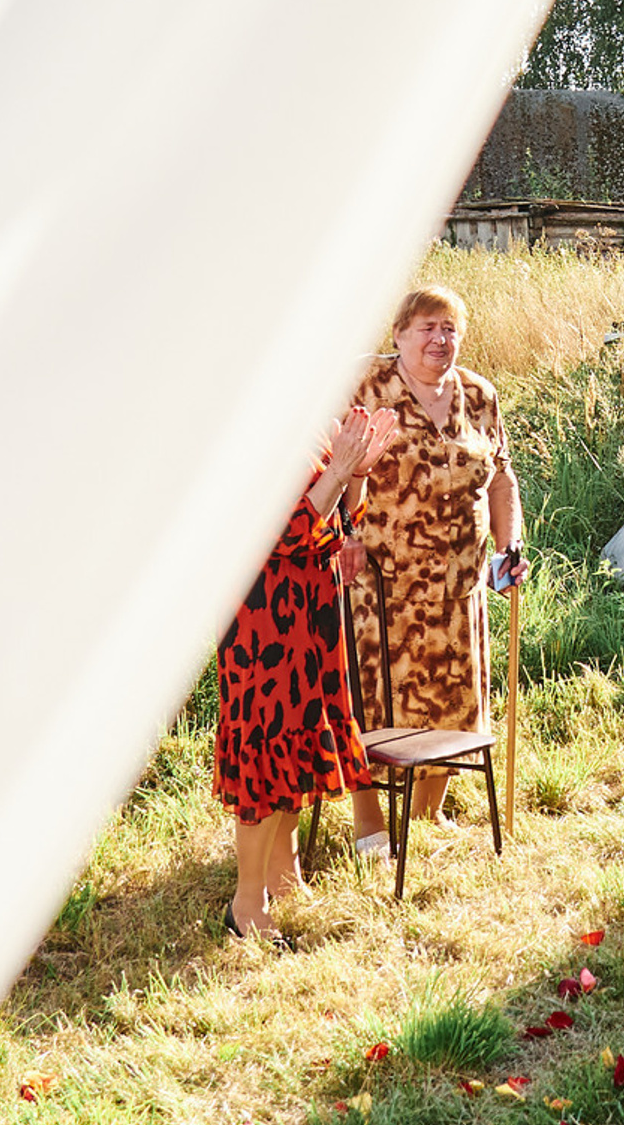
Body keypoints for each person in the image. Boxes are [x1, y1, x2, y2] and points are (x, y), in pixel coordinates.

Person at [215, 402, 399, 942]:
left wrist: (357, 474)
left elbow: (342, 521)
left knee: (296, 744)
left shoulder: (313, 420)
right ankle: (247, 904)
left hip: (312, 608)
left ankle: (284, 874)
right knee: (266, 750)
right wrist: (342, 471)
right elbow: (286, 532)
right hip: (262, 618)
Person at [347, 286, 526, 839]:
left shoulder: (478, 394)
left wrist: (509, 546)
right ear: (397, 334)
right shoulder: (365, 388)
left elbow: (500, 478)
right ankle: (370, 821)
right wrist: (344, 533)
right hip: (381, 581)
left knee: (453, 695)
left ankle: (428, 810)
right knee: (374, 699)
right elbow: (330, 470)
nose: (438, 339)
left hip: (458, 583)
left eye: (449, 328)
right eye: (426, 327)